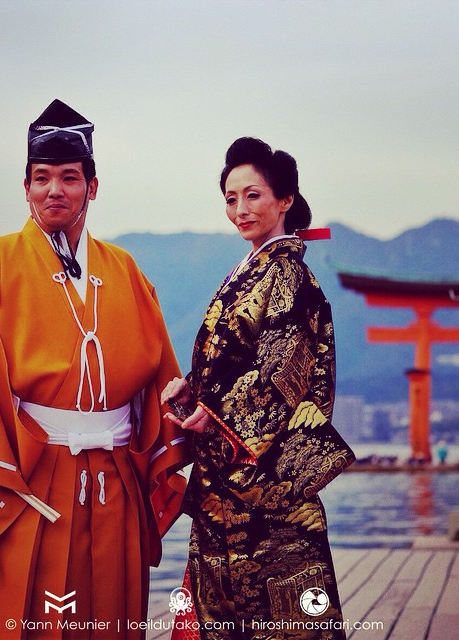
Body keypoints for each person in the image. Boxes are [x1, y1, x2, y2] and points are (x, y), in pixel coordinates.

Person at [0, 99, 192, 639]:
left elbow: (160, 385)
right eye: (41, 178)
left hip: (116, 481)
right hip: (29, 480)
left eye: (70, 177)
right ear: (26, 188)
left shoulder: (125, 270)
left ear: (92, 187)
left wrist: (189, 415)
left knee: (112, 617)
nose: (55, 189)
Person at [162, 137, 355, 639]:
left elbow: (280, 376)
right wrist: (194, 393)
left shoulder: (287, 272)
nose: (240, 209)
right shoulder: (250, 271)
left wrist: (216, 413)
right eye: (230, 198)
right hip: (227, 478)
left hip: (265, 483)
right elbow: (232, 365)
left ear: (285, 199)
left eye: (253, 196)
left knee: (282, 611)